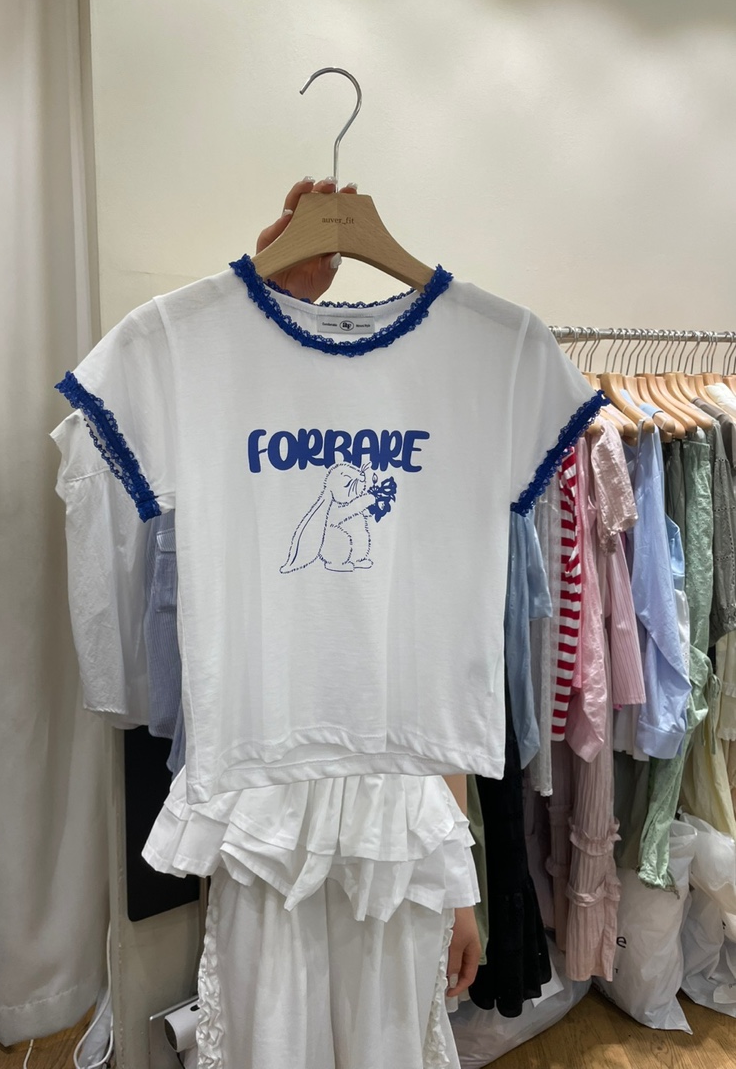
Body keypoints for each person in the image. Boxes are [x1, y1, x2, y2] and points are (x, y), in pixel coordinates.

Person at [256, 177, 482, 1005]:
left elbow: (446, 664)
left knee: (388, 1019)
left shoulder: (458, 392)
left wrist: (460, 886)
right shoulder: (230, 376)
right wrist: (266, 300)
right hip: (267, 807)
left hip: (402, 819)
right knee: (273, 1022)